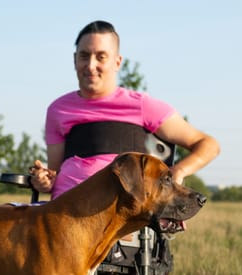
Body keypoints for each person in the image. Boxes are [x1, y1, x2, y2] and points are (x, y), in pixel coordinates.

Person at [31, 20, 220, 199]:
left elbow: (208, 144)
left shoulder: (142, 106)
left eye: (101, 57)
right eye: (84, 56)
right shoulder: (58, 110)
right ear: (74, 60)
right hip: (65, 209)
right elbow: (54, 174)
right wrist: (44, 180)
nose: (90, 65)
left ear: (117, 62)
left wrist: (178, 172)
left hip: (120, 214)